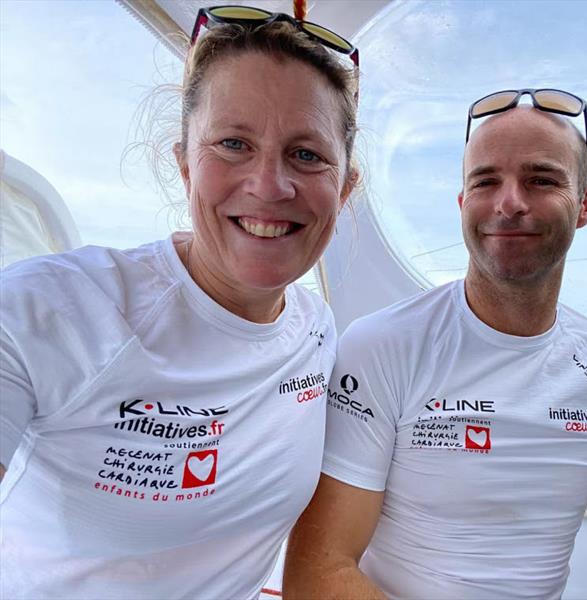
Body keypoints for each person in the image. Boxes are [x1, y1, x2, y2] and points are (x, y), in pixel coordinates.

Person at [283, 89, 587, 599]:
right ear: (464, 204)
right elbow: (319, 571)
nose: (510, 203)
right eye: (486, 181)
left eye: (541, 180)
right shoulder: (384, 347)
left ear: (585, 204)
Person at [0, 6, 359, 599]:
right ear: (186, 164)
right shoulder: (53, 307)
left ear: (344, 188)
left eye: (307, 154)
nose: (270, 186)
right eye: (234, 143)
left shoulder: (318, 332)